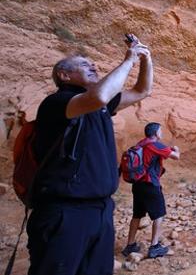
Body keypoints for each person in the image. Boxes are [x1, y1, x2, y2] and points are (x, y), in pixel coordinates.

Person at [28, 34, 152, 275]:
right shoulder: (57, 103)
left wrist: (145, 57)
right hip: (65, 212)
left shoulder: (101, 106)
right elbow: (98, 96)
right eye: (85, 65)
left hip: (101, 210)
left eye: (94, 65)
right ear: (64, 76)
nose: (94, 67)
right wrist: (129, 60)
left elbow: (142, 90)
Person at [122, 122, 180, 259]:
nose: (162, 133)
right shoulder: (155, 145)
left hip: (137, 185)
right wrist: (177, 149)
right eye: (161, 131)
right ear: (155, 133)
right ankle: (154, 247)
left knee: (137, 215)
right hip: (150, 185)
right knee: (159, 215)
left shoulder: (140, 144)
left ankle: (130, 245)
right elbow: (176, 156)